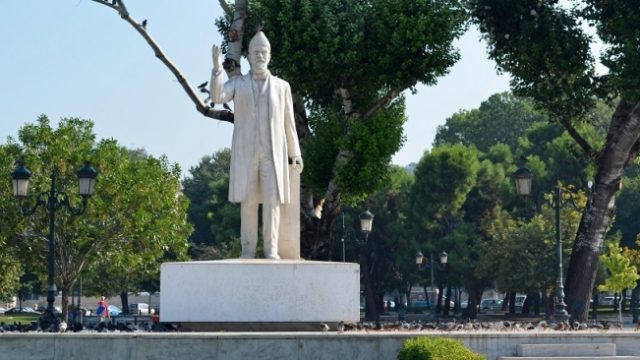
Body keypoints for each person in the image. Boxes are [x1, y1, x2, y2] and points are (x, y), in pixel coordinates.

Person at [210, 31, 303, 260]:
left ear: (269, 56)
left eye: (264, 52)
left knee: (273, 202)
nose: (260, 55)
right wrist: (216, 69)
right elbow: (218, 95)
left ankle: (271, 249)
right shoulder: (238, 84)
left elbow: (288, 122)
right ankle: (248, 250)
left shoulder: (282, 87)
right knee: (248, 202)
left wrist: (295, 153)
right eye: (256, 52)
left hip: (273, 154)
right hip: (246, 153)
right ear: (249, 56)